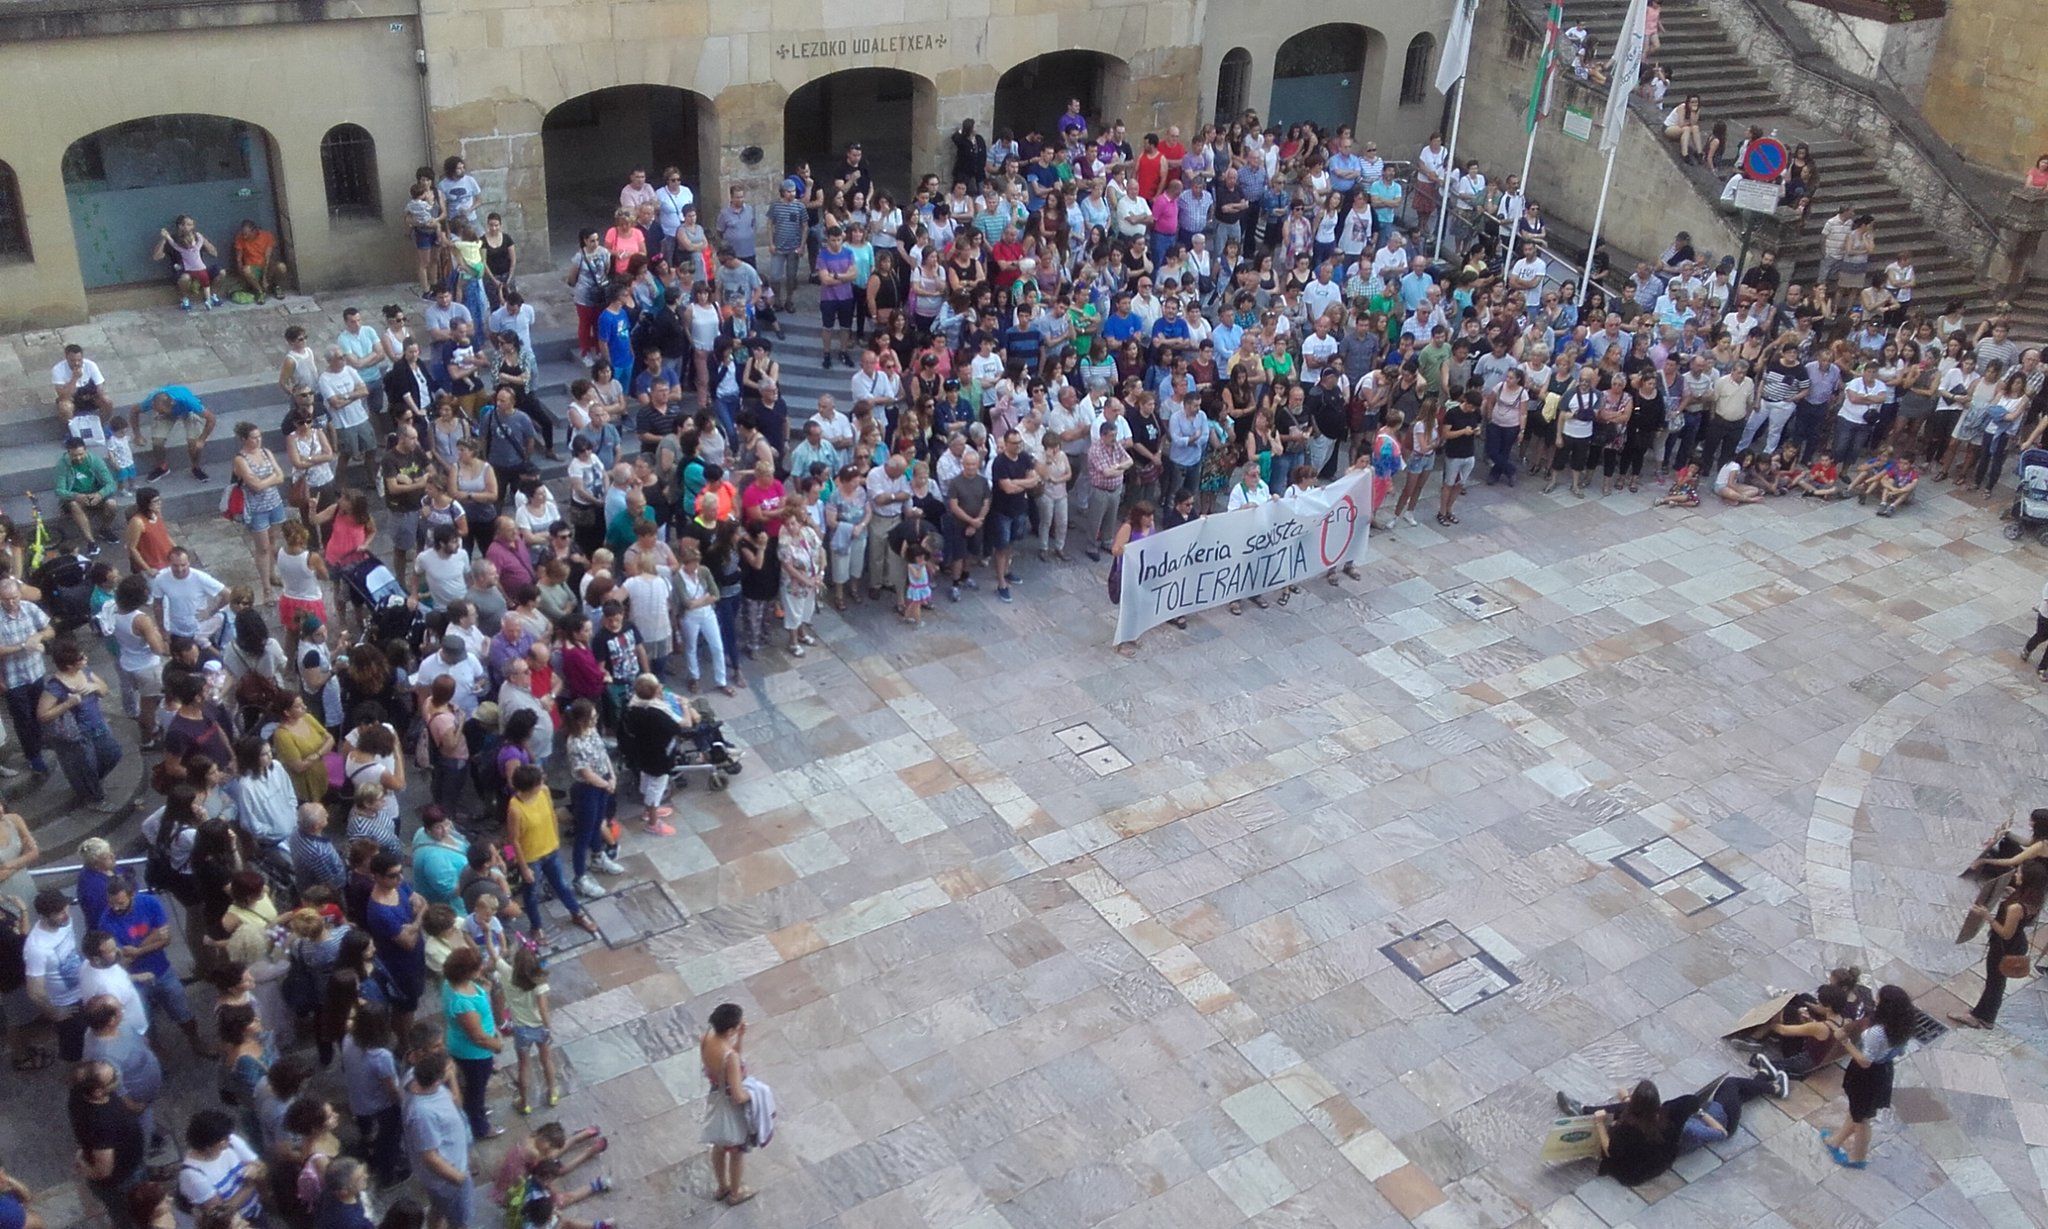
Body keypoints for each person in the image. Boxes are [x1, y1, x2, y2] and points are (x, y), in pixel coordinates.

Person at [1822, 984, 1917, 1168]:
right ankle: (1835, 1141)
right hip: (1883, 1072)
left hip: (1866, 1077)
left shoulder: (1878, 1032)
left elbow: (1865, 1061)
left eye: (1878, 999)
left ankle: (1857, 1158)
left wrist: (1845, 1042)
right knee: (1858, 1111)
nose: (1875, 1000)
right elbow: (1900, 1052)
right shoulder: (1903, 1026)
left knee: (1861, 1120)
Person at [505, 764, 597, 936]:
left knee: (562, 884)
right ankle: (536, 926)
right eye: (539, 782)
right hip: (531, 858)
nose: (543, 783)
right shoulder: (515, 809)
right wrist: (523, 867)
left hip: (551, 850)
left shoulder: (544, 792)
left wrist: (556, 839)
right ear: (531, 786)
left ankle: (576, 913)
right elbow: (513, 840)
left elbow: (552, 815)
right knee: (531, 894)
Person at [1949, 862, 2039, 1030]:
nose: (2016, 875)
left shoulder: (2015, 908)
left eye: (2019, 873)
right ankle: (1984, 1014)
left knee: (1994, 982)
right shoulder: (2032, 897)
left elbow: (2006, 933)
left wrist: (1987, 917)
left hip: (2005, 946)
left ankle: (1980, 1017)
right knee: (1997, 982)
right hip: (2016, 944)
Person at [69, 1059, 149, 1227]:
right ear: (98, 1091)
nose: (118, 1077)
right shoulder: (101, 1123)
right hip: (123, 1181)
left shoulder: (79, 1095)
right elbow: (103, 1170)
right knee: (130, 1218)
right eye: (113, 1079)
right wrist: (83, 1163)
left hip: (130, 1167)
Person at [403, 1052, 475, 1229]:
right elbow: (430, 1157)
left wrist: (451, 1079)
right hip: (447, 1180)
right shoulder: (422, 1114)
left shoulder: (419, 1078)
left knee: (439, 1209)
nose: (452, 1069)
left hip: (455, 1166)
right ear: (436, 1081)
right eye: (448, 1069)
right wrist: (458, 1178)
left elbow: (457, 1103)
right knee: (460, 1219)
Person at [699, 1003, 756, 1206]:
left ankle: (722, 1186)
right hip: (731, 1106)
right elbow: (738, 1095)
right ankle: (735, 1192)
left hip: (716, 1095)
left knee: (719, 1145)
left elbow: (724, 1064)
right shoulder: (729, 1057)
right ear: (730, 1029)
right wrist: (756, 1095)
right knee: (737, 1151)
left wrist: (739, 1038)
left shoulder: (705, 1039)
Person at [55, 435, 121, 552]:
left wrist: (100, 494)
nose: (79, 458)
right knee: (74, 505)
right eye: (74, 455)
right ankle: (91, 542)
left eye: (81, 454)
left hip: (95, 494)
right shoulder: (62, 465)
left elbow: (111, 484)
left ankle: (104, 529)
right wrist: (75, 496)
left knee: (112, 504)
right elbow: (59, 490)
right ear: (68, 452)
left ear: (86, 450)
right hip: (76, 498)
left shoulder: (95, 461)